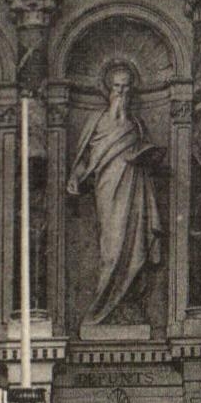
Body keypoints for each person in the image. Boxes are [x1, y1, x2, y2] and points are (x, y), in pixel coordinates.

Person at [67, 61, 163, 324]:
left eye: (126, 87)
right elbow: (86, 159)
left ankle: (126, 304)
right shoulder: (97, 122)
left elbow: (145, 154)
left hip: (135, 191)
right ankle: (102, 307)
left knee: (134, 245)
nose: (121, 92)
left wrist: (148, 158)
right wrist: (75, 176)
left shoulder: (137, 124)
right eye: (117, 87)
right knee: (111, 246)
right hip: (107, 190)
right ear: (108, 89)